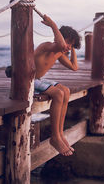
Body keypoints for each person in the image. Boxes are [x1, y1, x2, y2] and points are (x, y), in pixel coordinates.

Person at [34, 14, 81, 156]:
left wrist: (72, 48)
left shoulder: (60, 53)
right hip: (28, 81)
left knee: (65, 90)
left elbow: (74, 67)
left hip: (39, 79)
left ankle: (60, 134)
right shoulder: (47, 46)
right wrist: (54, 26)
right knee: (58, 93)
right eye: (68, 43)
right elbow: (60, 44)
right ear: (59, 37)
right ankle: (54, 137)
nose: (67, 47)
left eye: (71, 45)